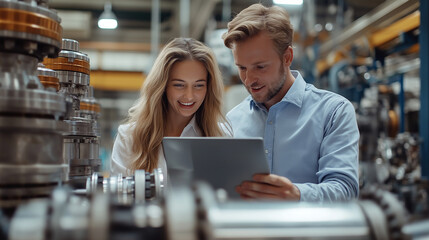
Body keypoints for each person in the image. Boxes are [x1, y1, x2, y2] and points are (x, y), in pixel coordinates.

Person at [222, 3, 359, 202]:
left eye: (260, 67)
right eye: (242, 68)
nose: (249, 79)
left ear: (287, 57)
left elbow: (345, 191)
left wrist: (297, 195)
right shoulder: (232, 120)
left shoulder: (334, 112)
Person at [111, 38, 230, 182]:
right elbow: (120, 198)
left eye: (198, 85)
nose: (189, 96)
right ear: (162, 86)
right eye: (179, 85)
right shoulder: (129, 137)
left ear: (208, 88)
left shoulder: (222, 137)